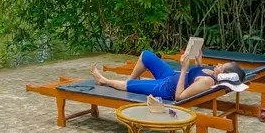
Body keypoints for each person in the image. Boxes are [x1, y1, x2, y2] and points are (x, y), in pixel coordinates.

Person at [90, 49, 248, 101]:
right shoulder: (211, 74)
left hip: (166, 89)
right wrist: (199, 63)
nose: (219, 65)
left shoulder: (208, 81)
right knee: (146, 55)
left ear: (225, 75)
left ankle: (103, 81)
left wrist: (184, 68)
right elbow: (195, 76)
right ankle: (132, 81)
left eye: (222, 67)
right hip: (170, 76)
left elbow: (179, 96)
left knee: (128, 86)